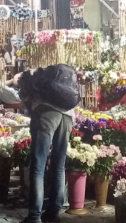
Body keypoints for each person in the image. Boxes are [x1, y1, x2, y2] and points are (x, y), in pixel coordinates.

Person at [19, 64, 80, 223]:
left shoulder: (30, 84)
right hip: (67, 116)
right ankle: (54, 212)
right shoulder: (52, 82)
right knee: (59, 165)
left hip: (47, 114)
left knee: (38, 166)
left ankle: (34, 216)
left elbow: (28, 104)